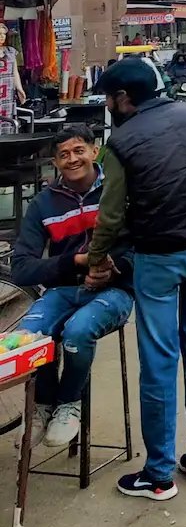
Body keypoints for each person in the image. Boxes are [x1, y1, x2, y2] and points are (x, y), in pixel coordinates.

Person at [88, 57, 186, 500]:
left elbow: (110, 215)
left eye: (110, 98)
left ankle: (158, 473)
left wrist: (97, 259)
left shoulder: (119, 143)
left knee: (159, 360)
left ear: (124, 99)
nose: (108, 106)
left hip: (157, 259)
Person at [11, 126, 133, 450]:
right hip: (63, 290)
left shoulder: (119, 191)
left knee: (77, 332)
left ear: (95, 152)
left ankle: (69, 402)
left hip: (115, 292)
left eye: (79, 150)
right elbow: (21, 266)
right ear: (55, 161)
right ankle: (44, 403)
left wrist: (113, 268)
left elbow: (144, 246)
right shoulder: (43, 203)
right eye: (64, 154)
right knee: (31, 335)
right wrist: (75, 261)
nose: (72, 159)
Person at [0, 19, 26, 132]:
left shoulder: (10, 52)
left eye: (3, 34)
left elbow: (14, 72)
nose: (2, 36)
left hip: (8, 94)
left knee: (7, 121)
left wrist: (19, 88)